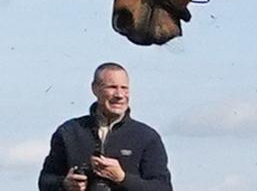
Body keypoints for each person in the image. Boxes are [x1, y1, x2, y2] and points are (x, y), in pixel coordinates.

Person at [39, 63, 172, 191]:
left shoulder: (146, 137)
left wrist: (122, 178)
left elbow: (163, 187)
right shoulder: (69, 132)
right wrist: (65, 184)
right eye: (112, 87)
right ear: (95, 89)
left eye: (124, 88)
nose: (119, 95)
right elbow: (45, 181)